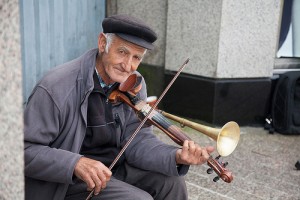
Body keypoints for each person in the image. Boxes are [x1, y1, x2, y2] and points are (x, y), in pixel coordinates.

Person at [24, 14, 215, 200]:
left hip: (114, 169)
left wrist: (176, 156)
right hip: (69, 181)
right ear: (102, 44)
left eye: (136, 58)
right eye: (122, 52)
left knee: (172, 183)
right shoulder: (56, 86)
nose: (128, 66)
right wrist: (76, 163)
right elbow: (24, 150)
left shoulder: (134, 83)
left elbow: (138, 141)